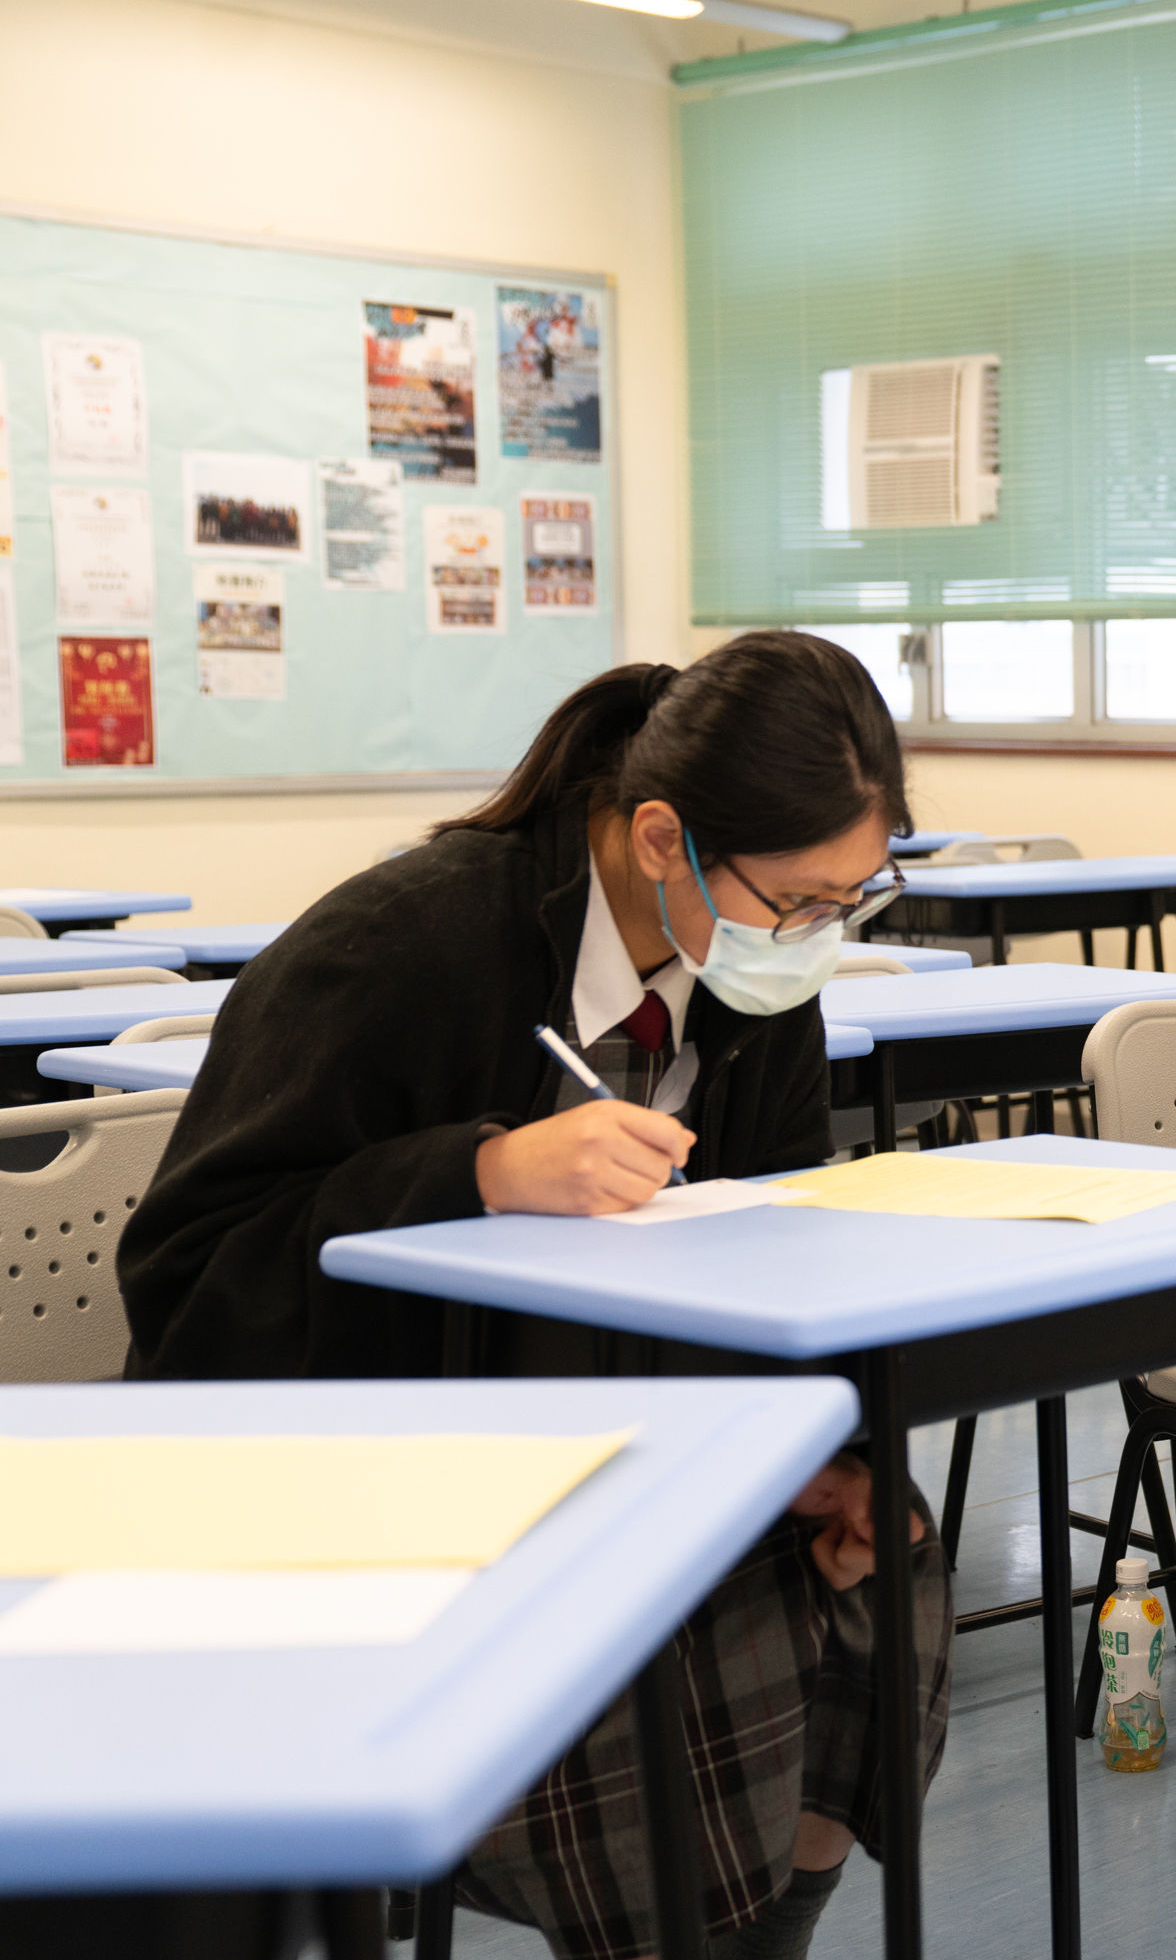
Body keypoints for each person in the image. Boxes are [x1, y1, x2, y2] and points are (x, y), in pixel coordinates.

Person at [119, 633, 954, 1960]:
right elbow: (191, 1272)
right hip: (362, 1452)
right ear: (661, 838)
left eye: (852, 901)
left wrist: (819, 1450)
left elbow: (773, 1251)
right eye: (798, 901)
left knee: (876, 1565)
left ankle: (761, 1934)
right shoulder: (405, 944)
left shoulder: (750, 982)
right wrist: (481, 1171)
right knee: (655, 1651)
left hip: (607, 1429)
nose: (815, 940)